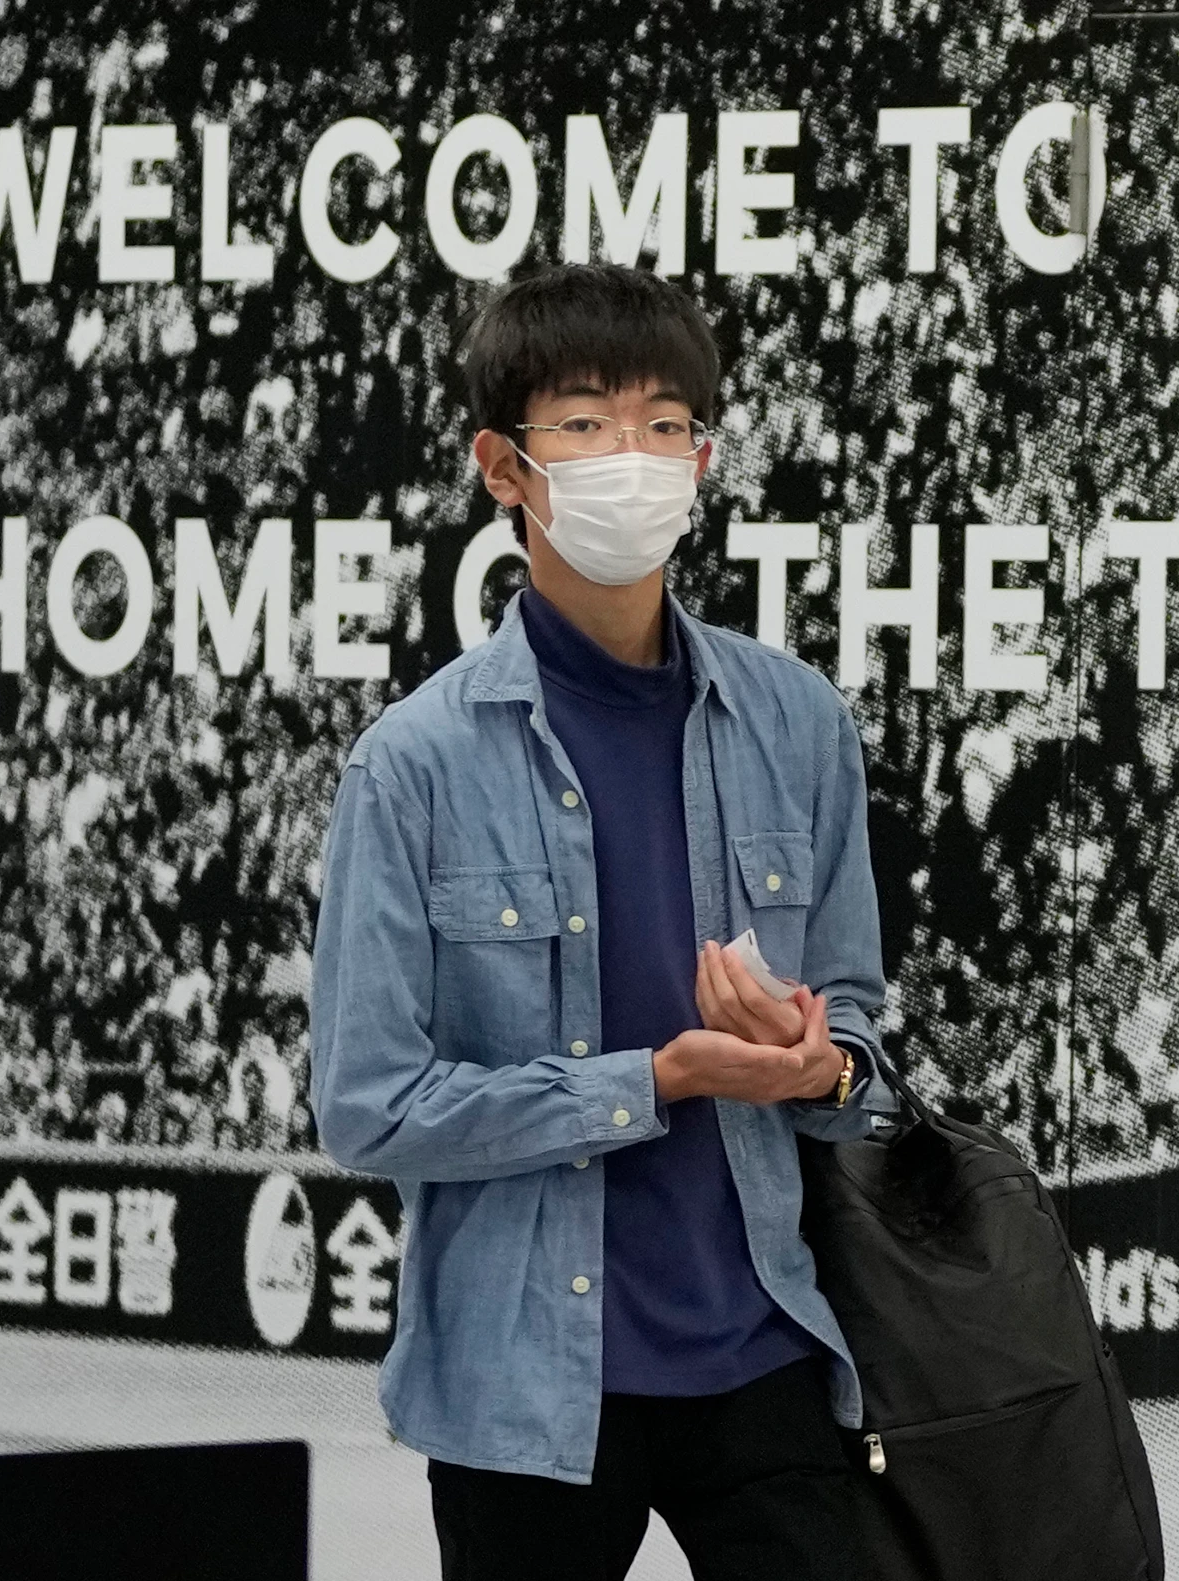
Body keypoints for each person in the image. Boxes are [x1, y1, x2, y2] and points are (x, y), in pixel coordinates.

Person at [307, 264, 891, 1581]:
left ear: (703, 458)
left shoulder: (795, 722)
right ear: (501, 466)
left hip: (765, 1345)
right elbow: (369, 1105)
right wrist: (656, 1079)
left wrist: (820, 1058)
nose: (630, 456)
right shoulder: (411, 766)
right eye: (583, 422)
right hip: (525, 1386)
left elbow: (859, 1026)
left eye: (664, 422)